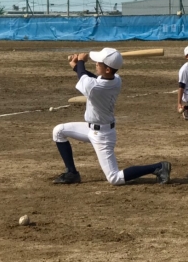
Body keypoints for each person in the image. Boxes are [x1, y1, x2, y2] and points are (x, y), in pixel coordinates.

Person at [52, 48, 171, 185]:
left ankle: (158, 167)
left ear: (108, 69)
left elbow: (86, 78)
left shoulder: (95, 88)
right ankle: (71, 173)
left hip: (103, 135)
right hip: (90, 128)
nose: (96, 63)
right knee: (58, 131)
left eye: (99, 63)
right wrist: (77, 67)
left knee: (114, 178)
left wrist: (80, 62)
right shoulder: (116, 80)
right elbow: (91, 78)